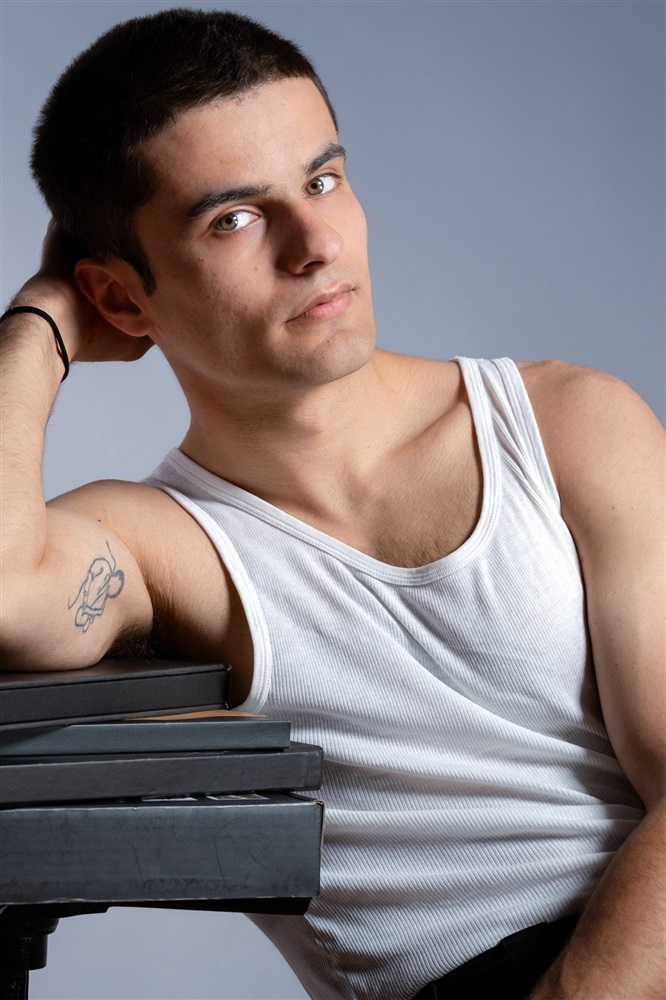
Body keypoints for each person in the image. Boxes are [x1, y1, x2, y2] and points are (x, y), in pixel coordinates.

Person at [0, 8, 663, 999]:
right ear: (124, 299)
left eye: (322, 181)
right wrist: (41, 320)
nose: (315, 242)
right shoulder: (164, 543)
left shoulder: (566, 423)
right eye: (235, 218)